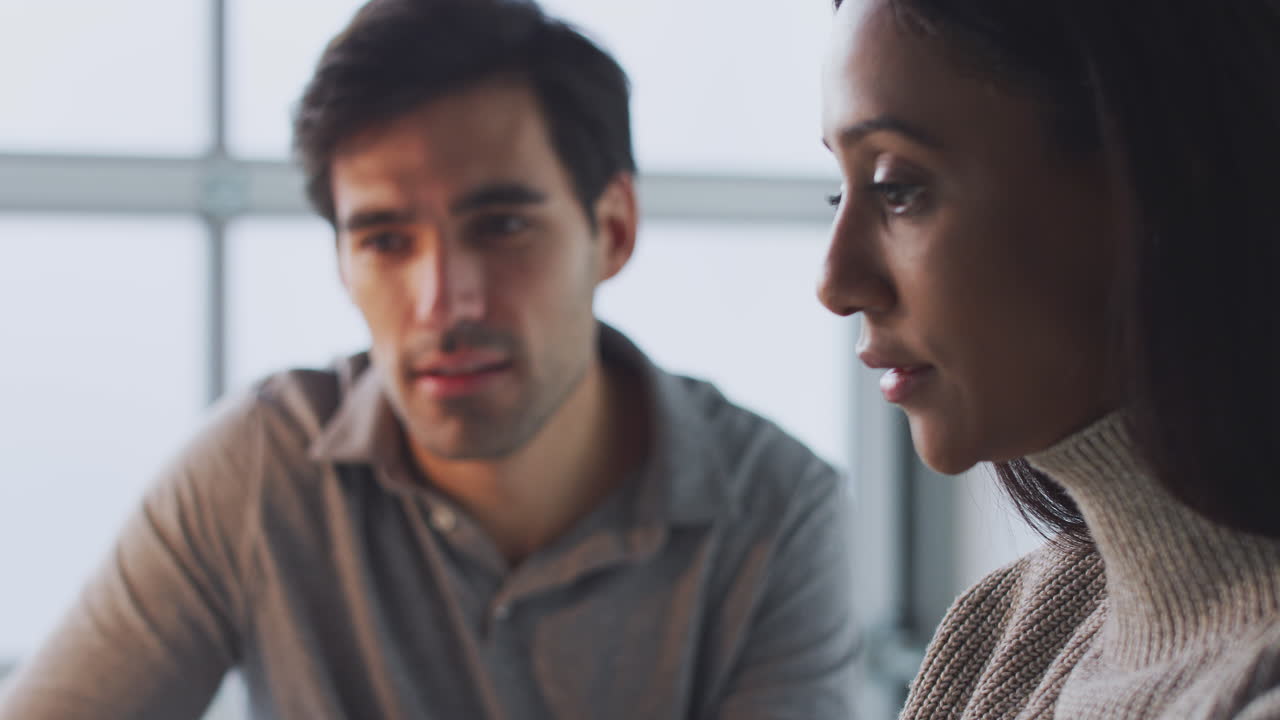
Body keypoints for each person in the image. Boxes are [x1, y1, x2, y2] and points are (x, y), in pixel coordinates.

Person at [0, 1, 858, 717]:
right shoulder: (261, 469)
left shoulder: (778, 512)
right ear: (340, 259)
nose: (444, 302)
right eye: (384, 239)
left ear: (614, 229)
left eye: (502, 226)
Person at [818, 0, 1280, 717]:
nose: (836, 284)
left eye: (897, 188)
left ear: (1151, 178)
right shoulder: (1008, 627)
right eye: (834, 192)